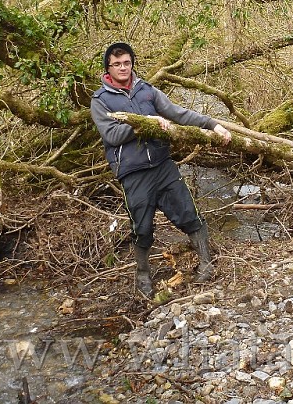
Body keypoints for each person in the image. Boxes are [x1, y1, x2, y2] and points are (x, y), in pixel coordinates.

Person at [90, 42, 232, 298]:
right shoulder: (101, 101)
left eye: (127, 63)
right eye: (117, 64)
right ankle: (143, 274)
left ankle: (206, 264)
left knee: (188, 213)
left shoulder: (147, 91)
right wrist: (146, 123)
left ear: (132, 64)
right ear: (108, 68)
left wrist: (213, 125)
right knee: (142, 227)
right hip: (133, 173)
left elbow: (178, 113)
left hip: (163, 165)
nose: (123, 68)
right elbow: (111, 135)